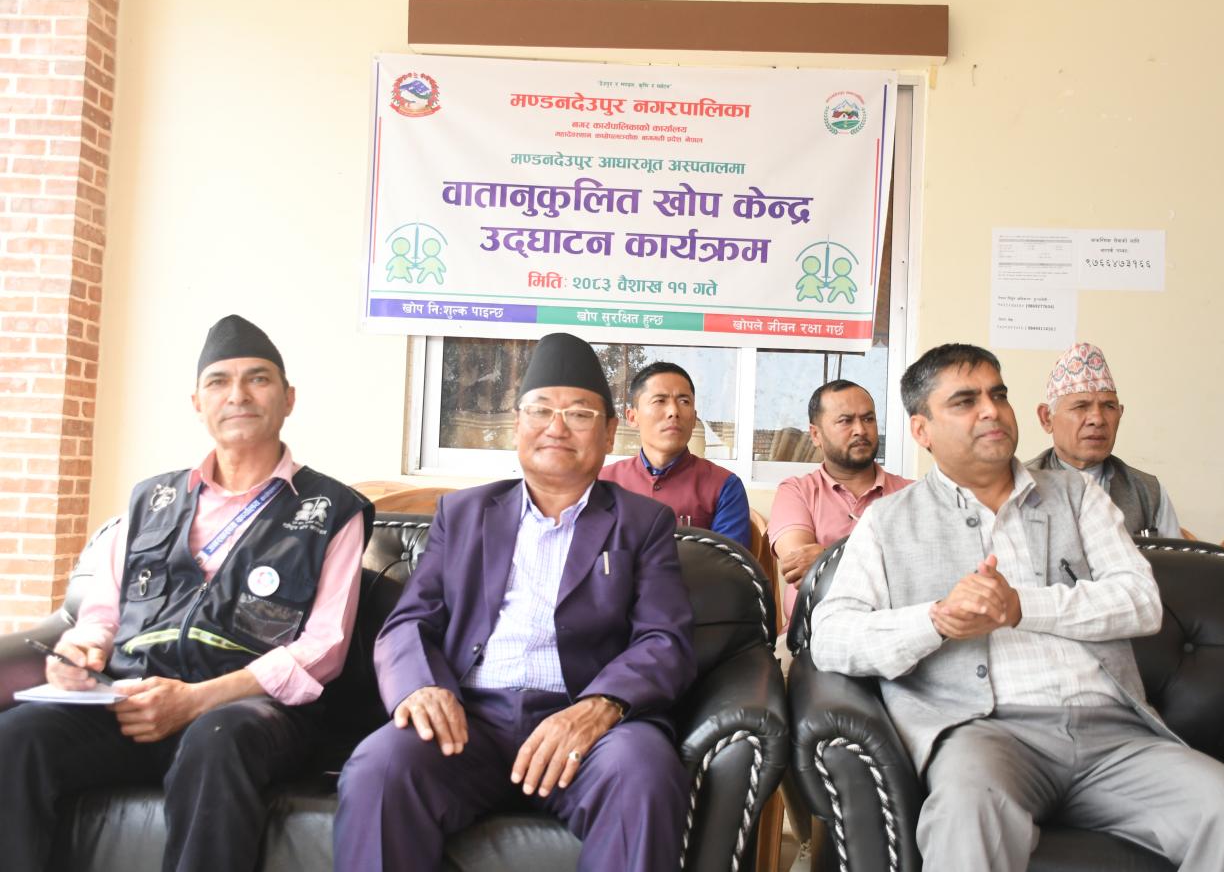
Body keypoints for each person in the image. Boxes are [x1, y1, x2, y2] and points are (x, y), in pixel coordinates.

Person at [811, 343, 1224, 871]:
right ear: (922, 431)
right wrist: (934, 620)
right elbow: (830, 636)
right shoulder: (887, 522)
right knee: (967, 815)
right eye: (966, 401)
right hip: (984, 736)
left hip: (1114, 733)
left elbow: (1141, 602)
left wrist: (1021, 607)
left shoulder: (1077, 495)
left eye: (998, 395)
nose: (991, 411)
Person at [0, 314, 374, 872]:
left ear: (289, 398)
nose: (238, 395)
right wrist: (79, 653)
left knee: (217, 738)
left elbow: (323, 649)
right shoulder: (150, 499)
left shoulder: (331, 509)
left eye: (258, 379)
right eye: (219, 382)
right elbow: (100, 615)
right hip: (132, 699)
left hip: (248, 711)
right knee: (17, 737)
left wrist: (197, 701)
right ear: (198, 403)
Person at [335, 332, 696, 872]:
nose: (557, 427)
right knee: (381, 767)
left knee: (643, 772)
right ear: (517, 425)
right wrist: (422, 686)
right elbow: (409, 622)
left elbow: (665, 639)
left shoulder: (642, 523)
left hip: (587, 727)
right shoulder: (463, 515)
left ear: (609, 432)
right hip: (469, 721)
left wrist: (600, 707)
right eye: (540, 410)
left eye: (579, 414)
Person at [768, 379, 910, 620]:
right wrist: (889, 562)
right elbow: (801, 567)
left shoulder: (910, 493)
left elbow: (924, 568)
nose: (861, 430)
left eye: (868, 419)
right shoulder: (796, 491)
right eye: (846, 421)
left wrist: (827, 556)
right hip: (809, 633)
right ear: (816, 435)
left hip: (892, 629)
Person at [1025, 341, 1181, 537]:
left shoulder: (1148, 492)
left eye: (1109, 407)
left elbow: (1173, 556)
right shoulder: (1018, 486)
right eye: (1081, 406)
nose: (1097, 419)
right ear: (1047, 418)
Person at [599, 361, 751, 547]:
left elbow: (729, 562)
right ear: (632, 417)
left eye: (684, 402)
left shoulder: (725, 486)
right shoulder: (602, 483)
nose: (673, 412)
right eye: (659, 401)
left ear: (694, 419)